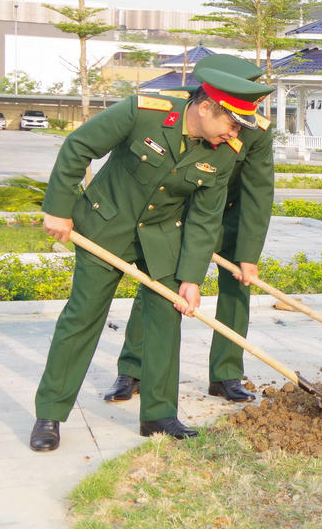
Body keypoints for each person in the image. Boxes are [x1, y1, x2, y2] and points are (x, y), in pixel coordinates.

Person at [30, 66, 273, 451]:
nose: (236, 132)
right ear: (207, 107)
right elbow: (79, 146)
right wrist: (58, 209)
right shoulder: (145, 111)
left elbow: (205, 216)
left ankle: (159, 416)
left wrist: (191, 279)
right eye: (232, 121)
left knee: (166, 316)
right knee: (83, 315)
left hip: (162, 235)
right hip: (106, 224)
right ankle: (50, 412)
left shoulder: (225, 152)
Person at [105, 54, 275, 405]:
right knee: (160, 282)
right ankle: (133, 368)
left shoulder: (257, 129)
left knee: (237, 286)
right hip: (181, 213)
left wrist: (247, 254)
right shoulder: (183, 105)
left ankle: (226, 374)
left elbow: (258, 190)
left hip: (227, 215)